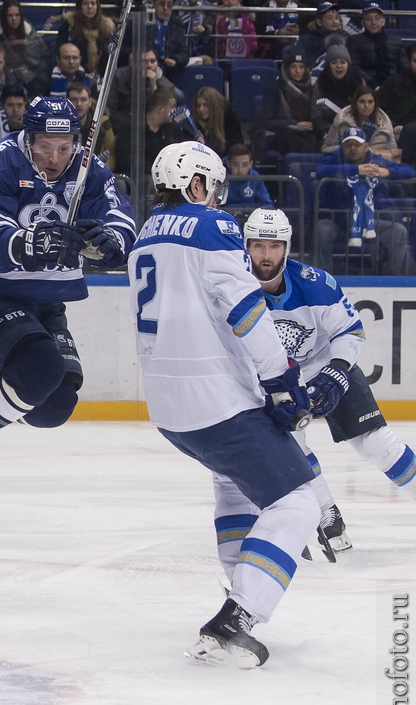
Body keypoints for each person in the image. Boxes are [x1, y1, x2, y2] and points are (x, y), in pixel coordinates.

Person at [128, 140, 319, 668]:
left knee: (235, 484)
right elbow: (246, 312)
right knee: (300, 501)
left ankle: (239, 592)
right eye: (210, 187)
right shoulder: (212, 228)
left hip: (168, 408)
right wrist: (280, 377)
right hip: (216, 398)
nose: (215, 198)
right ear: (194, 185)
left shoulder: (143, 237)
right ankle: (238, 617)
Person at [0, 96, 135, 498]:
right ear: (27, 138)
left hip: (44, 298)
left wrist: (111, 241)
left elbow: (120, 215)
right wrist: (29, 242)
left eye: (64, 148)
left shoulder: (89, 168)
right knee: (42, 368)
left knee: (54, 407)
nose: (55, 157)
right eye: (45, 146)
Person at [243, 207, 416, 553]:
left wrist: (335, 371)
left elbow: (351, 330)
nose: (266, 255)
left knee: (377, 443)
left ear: (287, 247)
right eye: (258, 246)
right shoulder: (232, 287)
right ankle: (326, 513)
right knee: (294, 448)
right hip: (273, 381)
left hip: (326, 365)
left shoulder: (315, 284)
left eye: (274, 246)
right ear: (245, 246)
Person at [316, 126, 415, 267]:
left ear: (366, 146)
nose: (352, 148)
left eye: (357, 145)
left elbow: (409, 170)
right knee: (322, 230)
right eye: (348, 145)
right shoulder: (334, 157)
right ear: (342, 146)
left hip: (371, 220)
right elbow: (321, 170)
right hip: (339, 219)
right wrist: (356, 169)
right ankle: (323, 277)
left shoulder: (376, 160)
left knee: (398, 231)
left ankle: (393, 279)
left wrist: (386, 171)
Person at [254, 46, 318, 158]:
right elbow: (266, 122)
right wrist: (294, 124)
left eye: (301, 67)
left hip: (306, 133)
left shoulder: (312, 90)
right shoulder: (275, 90)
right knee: (295, 142)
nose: (298, 71)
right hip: (279, 135)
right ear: (287, 68)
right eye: (293, 66)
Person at [113, 87, 194, 176]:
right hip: (138, 177)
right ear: (160, 109)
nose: (174, 111)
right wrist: (156, 169)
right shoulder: (132, 128)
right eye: (172, 107)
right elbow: (126, 160)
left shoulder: (172, 128)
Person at [0, 0, 51, 94]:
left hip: (33, 80)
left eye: (17, 15)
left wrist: (36, 75)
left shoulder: (31, 36)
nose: (14, 18)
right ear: (4, 17)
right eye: (10, 15)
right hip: (7, 80)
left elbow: (44, 57)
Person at [109, 47, 177, 128]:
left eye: (153, 61)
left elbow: (160, 115)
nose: (149, 65)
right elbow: (110, 110)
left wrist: (153, 86)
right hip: (123, 126)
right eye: (144, 61)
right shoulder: (118, 77)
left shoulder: (167, 86)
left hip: (154, 130)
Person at [311, 43, 365, 140]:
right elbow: (316, 115)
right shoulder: (320, 85)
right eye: (334, 62)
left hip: (356, 131)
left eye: (343, 62)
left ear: (348, 64)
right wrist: (331, 130)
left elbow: (366, 110)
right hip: (329, 131)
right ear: (328, 65)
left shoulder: (358, 82)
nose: (339, 66)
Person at [321, 84, 395, 154]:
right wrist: (348, 149)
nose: (366, 106)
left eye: (370, 102)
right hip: (348, 164)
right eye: (362, 102)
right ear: (355, 104)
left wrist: (370, 152)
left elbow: (394, 152)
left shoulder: (385, 122)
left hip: (377, 165)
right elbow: (326, 148)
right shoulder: (342, 120)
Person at [347, 1, 404, 90]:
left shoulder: (396, 42)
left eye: (377, 18)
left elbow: (405, 68)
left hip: (394, 88)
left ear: (383, 21)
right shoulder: (354, 41)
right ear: (363, 23)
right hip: (365, 88)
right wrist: (374, 86)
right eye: (368, 19)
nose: (373, 22)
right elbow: (354, 68)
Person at [54, 0, 115, 78]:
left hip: (102, 77)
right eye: (85, 4)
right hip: (73, 78)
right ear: (80, 6)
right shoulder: (69, 26)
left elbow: (111, 56)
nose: (89, 7)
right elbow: (60, 56)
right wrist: (83, 75)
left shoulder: (106, 27)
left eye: (93, 3)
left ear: (97, 6)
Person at [67, 81, 116, 165]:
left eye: (83, 99)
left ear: (90, 102)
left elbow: (111, 153)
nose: (79, 104)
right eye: (74, 100)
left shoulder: (102, 124)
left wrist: (101, 172)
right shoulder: (59, 125)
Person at [222, 143, 274, 222]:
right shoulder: (222, 177)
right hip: (227, 219)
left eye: (245, 165)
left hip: (252, 219)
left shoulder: (255, 177)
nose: (240, 170)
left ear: (250, 164)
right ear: (228, 164)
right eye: (235, 165)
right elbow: (215, 206)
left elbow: (268, 204)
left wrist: (256, 213)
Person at [191, 85, 242, 159]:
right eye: (198, 106)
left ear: (214, 105)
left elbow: (234, 148)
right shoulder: (194, 124)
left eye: (205, 105)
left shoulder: (229, 120)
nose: (201, 109)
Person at [297, 1, 346, 76]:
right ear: (319, 22)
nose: (335, 22)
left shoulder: (346, 37)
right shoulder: (306, 39)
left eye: (336, 18)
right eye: (330, 18)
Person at [376, 43, 416, 136]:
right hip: (393, 131)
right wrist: (392, 126)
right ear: (409, 62)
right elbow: (377, 110)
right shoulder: (394, 82)